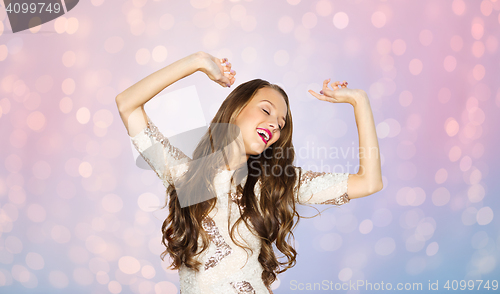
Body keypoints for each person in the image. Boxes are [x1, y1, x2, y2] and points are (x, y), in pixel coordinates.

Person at [115, 51, 382, 294]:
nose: (275, 125)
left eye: (281, 123)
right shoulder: (183, 175)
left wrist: (360, 101)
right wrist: (196, 62)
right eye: (266, 110)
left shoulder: (275, 184)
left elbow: (369, 182)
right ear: (236, 110)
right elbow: (127, 103)